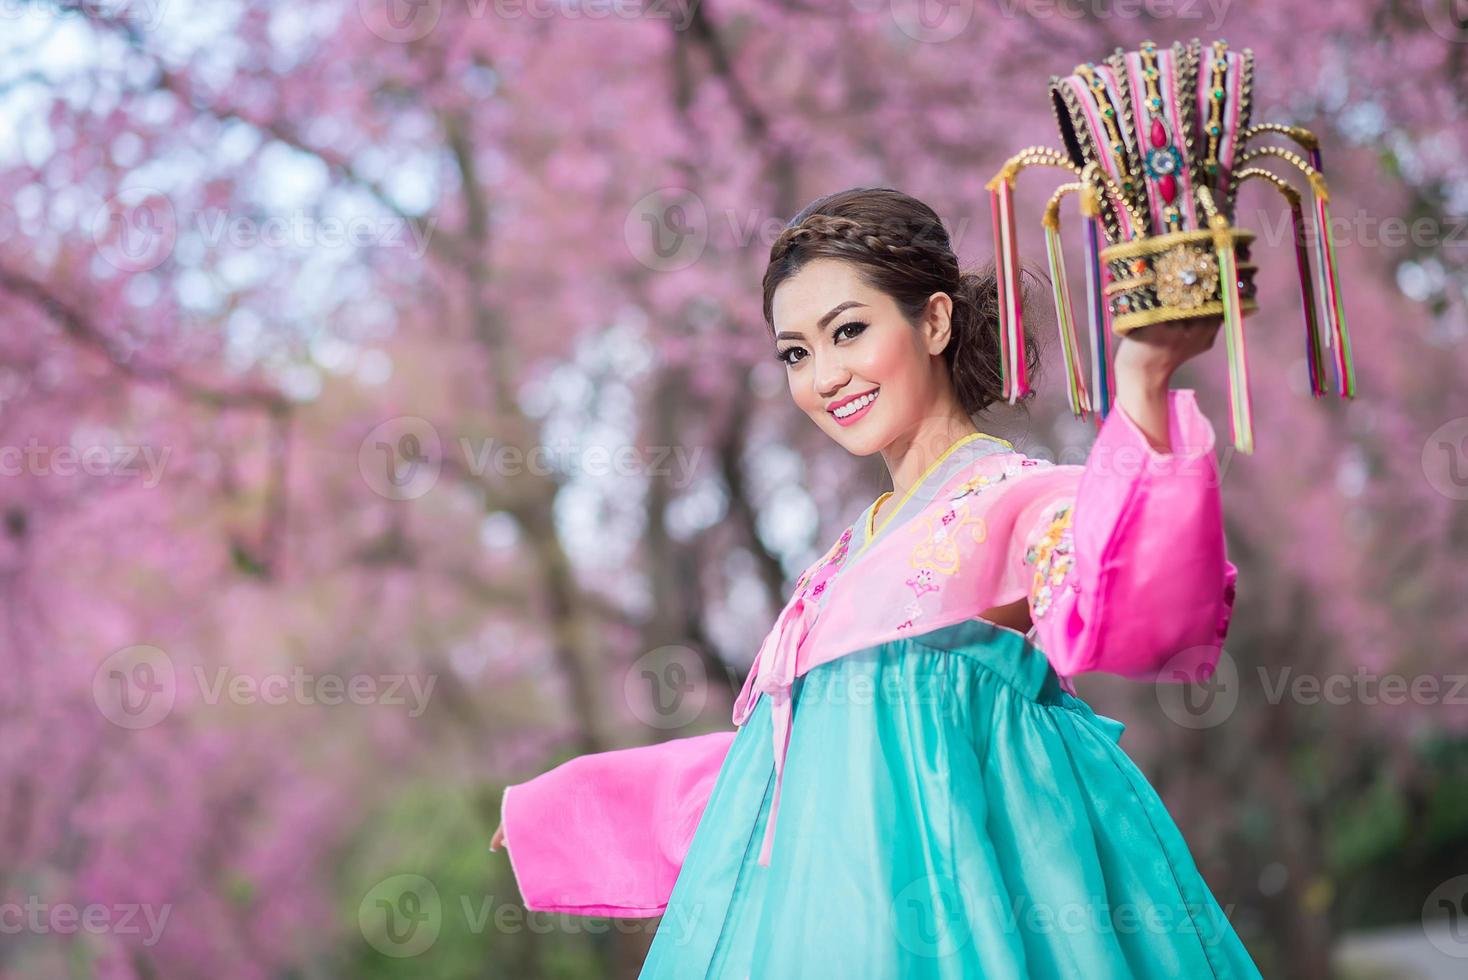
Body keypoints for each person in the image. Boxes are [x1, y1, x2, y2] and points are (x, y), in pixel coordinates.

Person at [490, 187, 1261, 978]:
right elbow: (786, 769)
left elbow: (1132, 607)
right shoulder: (838, 564)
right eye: (795, 353)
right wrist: (574, 807)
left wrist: (1144, 381)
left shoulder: (1022, 498)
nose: (824, 377)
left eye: (848, 332)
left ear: (933, 321)